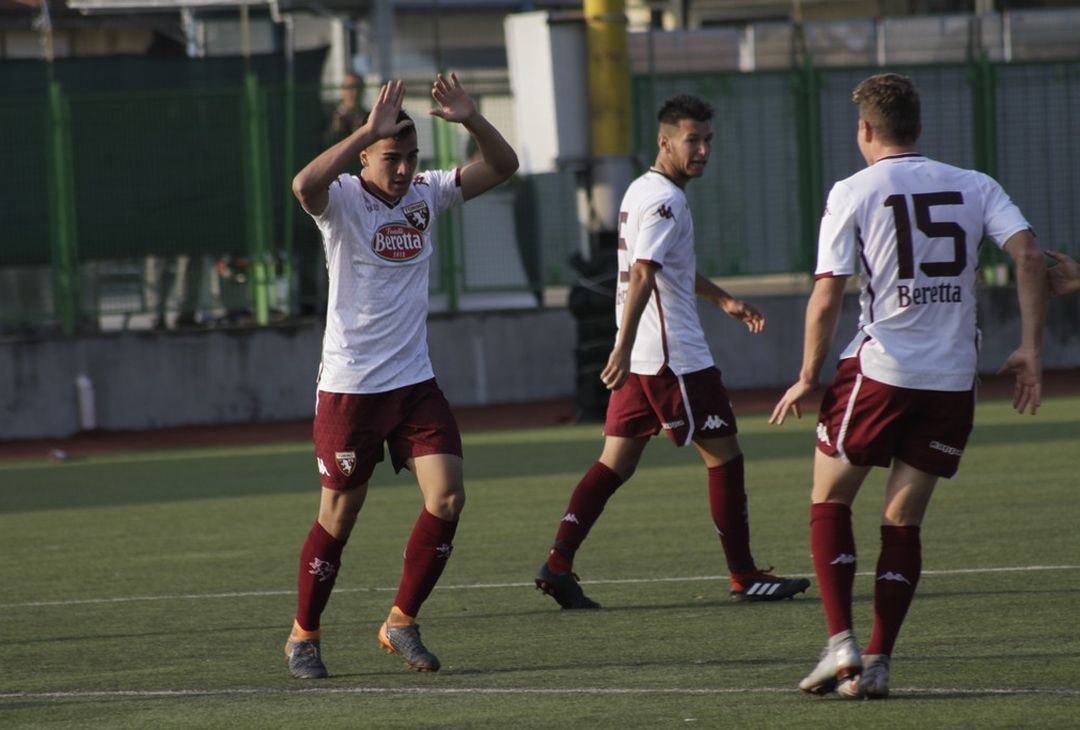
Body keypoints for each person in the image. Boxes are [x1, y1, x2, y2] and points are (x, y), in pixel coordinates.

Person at [769, 73, 1047, 699]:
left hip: (882, 372)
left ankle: (840, 643)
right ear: (919, 128)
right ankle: (880, 661)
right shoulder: (975, 185)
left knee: (830, 500)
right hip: (952, 381)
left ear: (865, 130)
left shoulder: (853, 190)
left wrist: (810, 376)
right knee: (902, 521)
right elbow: (1030, 257)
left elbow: (826, 294)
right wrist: (1030, 348)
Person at [534, 94, 811, 611]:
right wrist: (619, 346)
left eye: (708, 140)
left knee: (614, 463)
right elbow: (643, 273)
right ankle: (744, 574)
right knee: (725, 457)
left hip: (646, 356)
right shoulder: (667, 200)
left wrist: (723, 298)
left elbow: (666, 267)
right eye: (693, 140)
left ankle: (558, 562)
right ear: (665, 142)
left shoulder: (643, 190)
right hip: (672, 358)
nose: (703, 150)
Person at [284, 73, 518, 679]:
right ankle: (303, 636)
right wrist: (367, 127)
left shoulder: (427, 194)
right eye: (392, 157)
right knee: (339, 515)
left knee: (447, 496)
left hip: (414, 382)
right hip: (350, 388)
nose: (404, 168)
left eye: (412, 157)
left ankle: (401, 622)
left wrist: (471, 119)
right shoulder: (339, 200)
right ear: (365, 155)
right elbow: (302, 185)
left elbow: (504, 165)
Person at [323, 72, 366, 148]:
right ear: (342, 90)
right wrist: (336, 130)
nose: (354, 92)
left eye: (358, 87)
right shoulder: (327, 113)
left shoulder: (368, 116)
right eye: (350, 88)